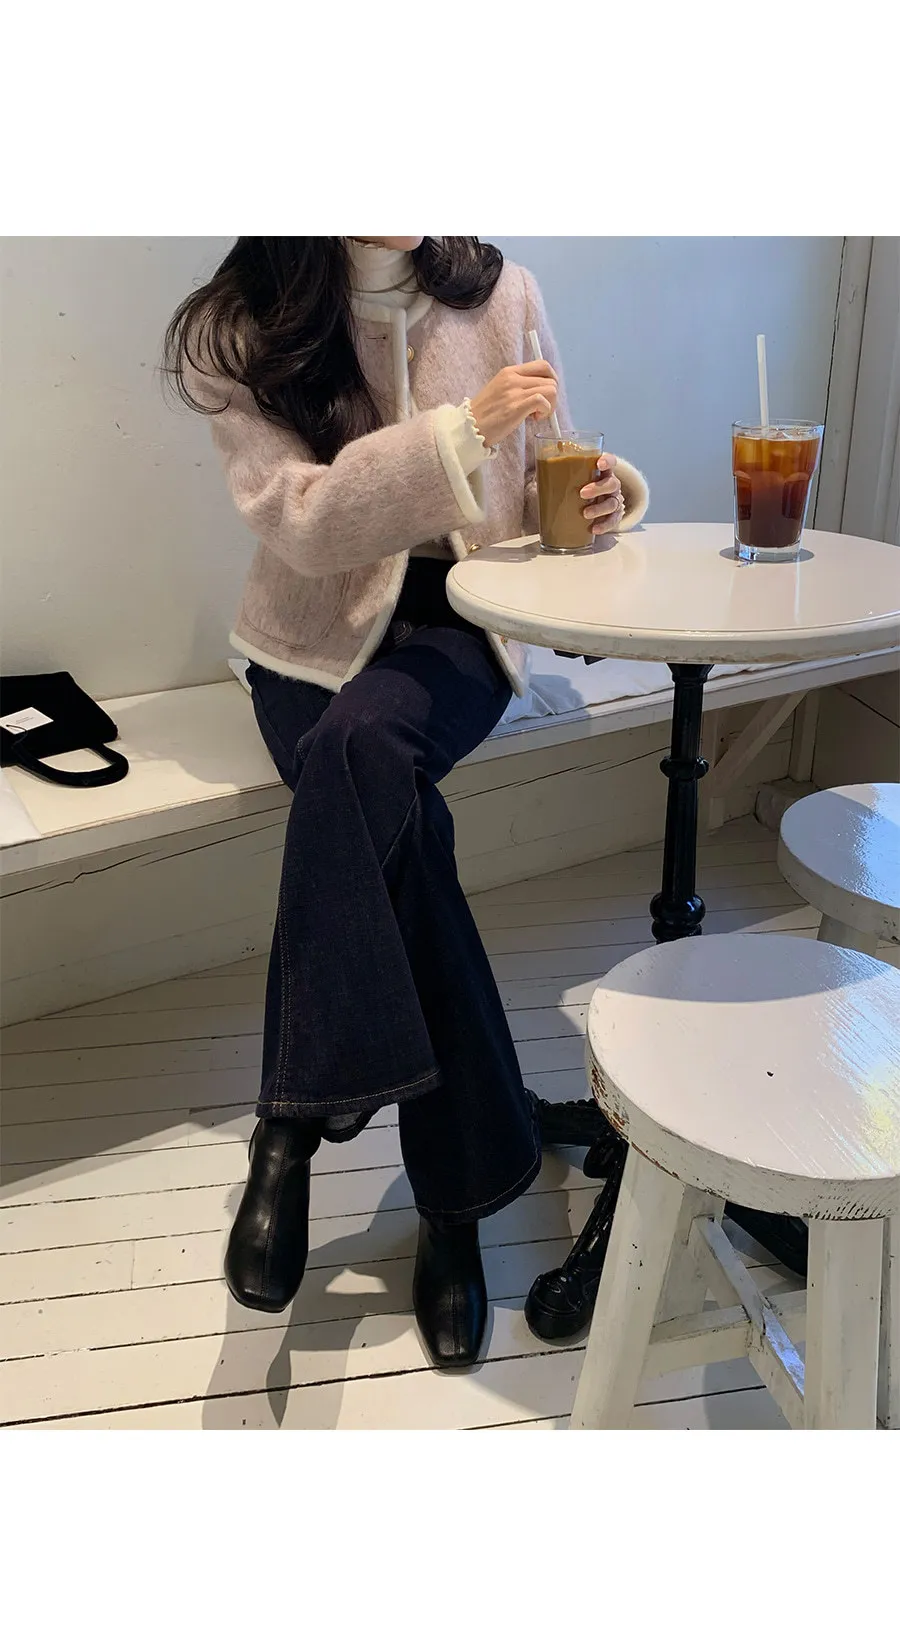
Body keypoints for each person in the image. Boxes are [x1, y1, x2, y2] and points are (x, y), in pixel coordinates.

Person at [165, 236, 649, 1369]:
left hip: (459, 629)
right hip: (307, 644)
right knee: (395, 814)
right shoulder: (237, 327)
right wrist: (459, 430)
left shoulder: (503, 293)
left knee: (362, 750)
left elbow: (550, 463)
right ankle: (455, 1208)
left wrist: (600, 494)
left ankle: (290, 1126)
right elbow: (302, 521)